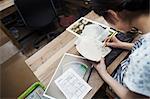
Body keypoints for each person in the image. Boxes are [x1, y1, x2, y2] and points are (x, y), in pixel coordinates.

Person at [92, 0, 150, 98]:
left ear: (112, 15)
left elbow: (130, 97)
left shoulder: (142, 60)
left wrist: (104, 73)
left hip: (125, 86)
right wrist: (121, 44)